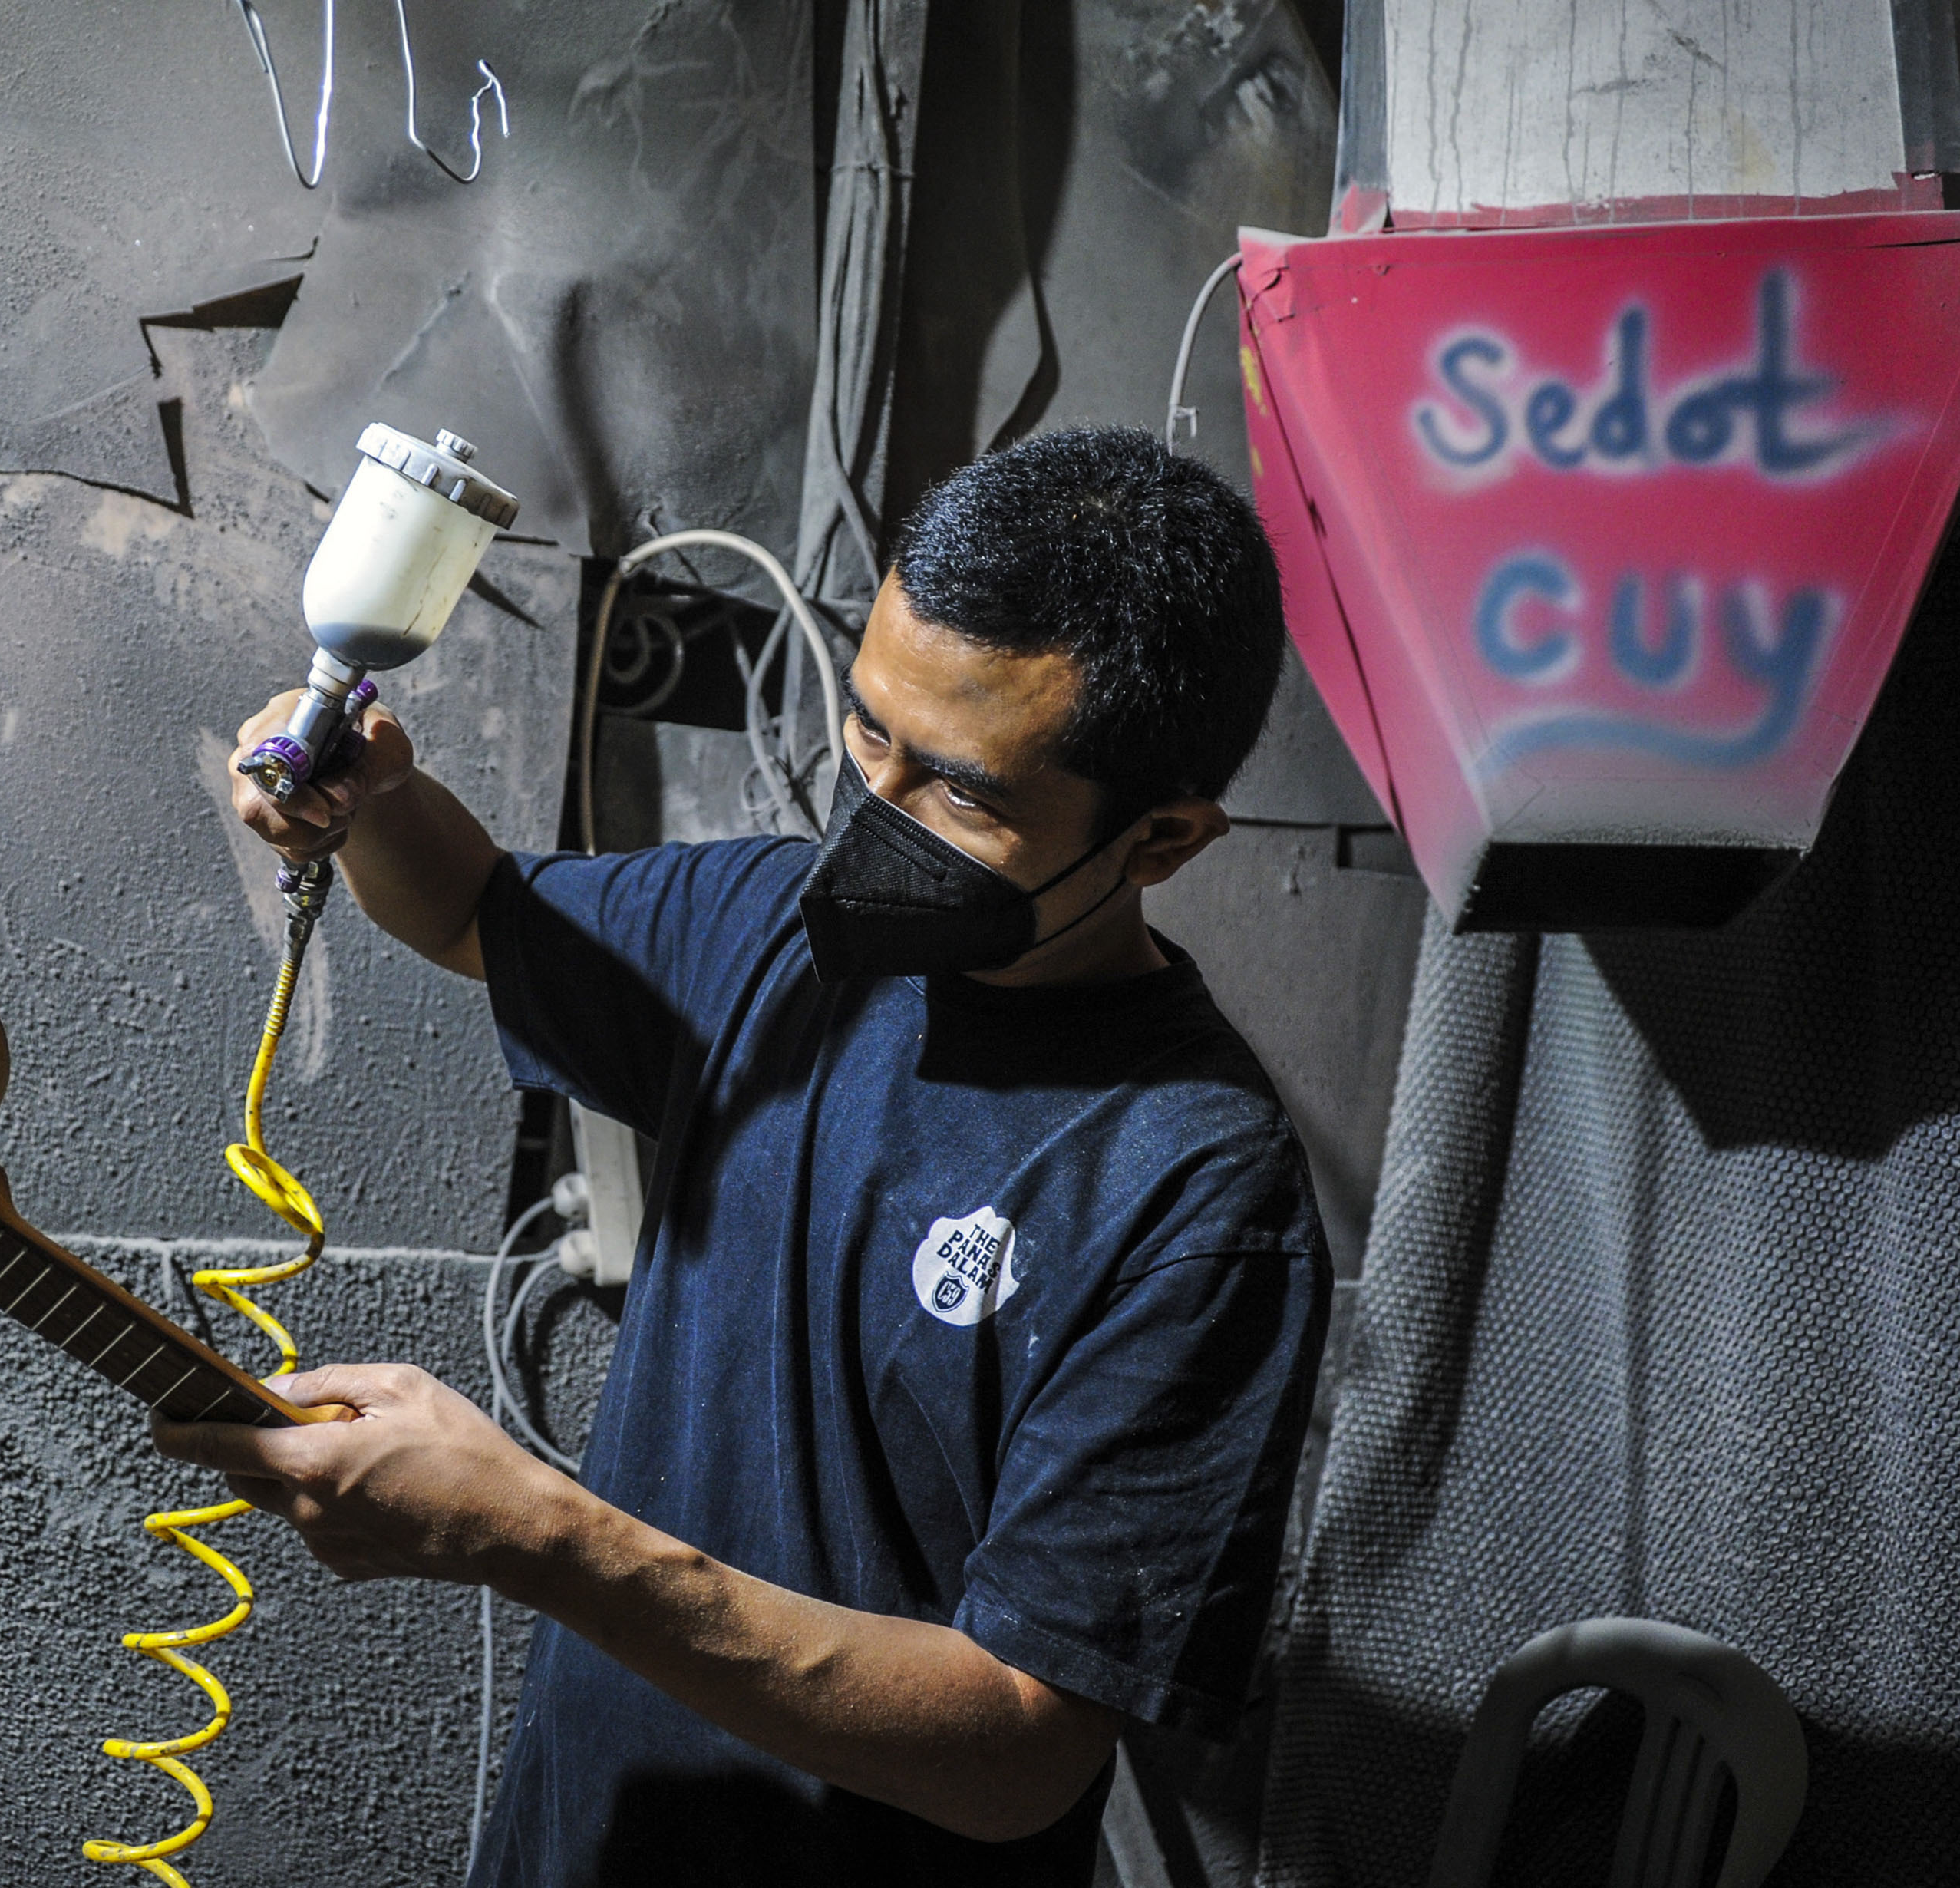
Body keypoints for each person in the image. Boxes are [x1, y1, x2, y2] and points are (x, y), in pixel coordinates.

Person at [159, 425, 1330, 1886]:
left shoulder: (1194, 1190)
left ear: (1161, 840)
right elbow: (475, 912)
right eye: (870, 734)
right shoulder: (771, 929)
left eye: (963, 793)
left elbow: (1021, 1751)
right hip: (583, 1843)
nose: (874, 820)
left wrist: (538, 1537)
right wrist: (375, 800)